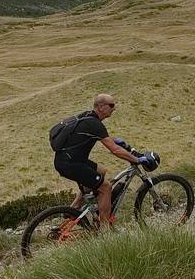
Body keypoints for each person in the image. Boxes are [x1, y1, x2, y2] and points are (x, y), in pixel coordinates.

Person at [53, 93, 144, 228]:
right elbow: (115, 150)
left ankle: (74, 208)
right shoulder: (94, 123)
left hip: (67, 160)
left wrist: (122, 144)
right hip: (71, 164)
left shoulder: (88, 117)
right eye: (111, 105)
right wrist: (136, 159)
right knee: (105, 187)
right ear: (101, 107)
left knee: (102, 171)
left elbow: (105, 138)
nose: (114, 108)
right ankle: (105, 230)